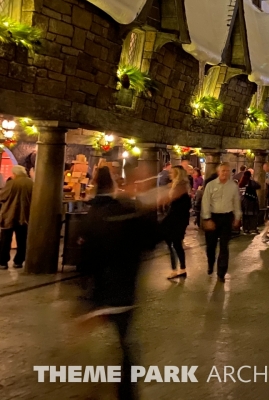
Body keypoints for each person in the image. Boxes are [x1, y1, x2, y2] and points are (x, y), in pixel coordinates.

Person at [78, 166, 157, 400]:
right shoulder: (125, 212)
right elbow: (150, 239)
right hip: (121, 289)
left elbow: (85, 256)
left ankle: (107, 387)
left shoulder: (96, 212)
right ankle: (124, 391)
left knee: (114, 343)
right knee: (123, 343)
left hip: (103, 290)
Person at [200, 164, 241, 282]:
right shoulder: (211, 185)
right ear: (218, 172)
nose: (225, 173)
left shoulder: (233, 186)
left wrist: (237, 217)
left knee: (224, 246)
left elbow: (236, 202)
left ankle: (221, 272)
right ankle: (210, 263)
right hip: (213, 217)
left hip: (226, 217)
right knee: (211, 245)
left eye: (227, 171)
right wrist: (207, 219)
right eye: (223, 171)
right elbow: (205, 202)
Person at [0, 165, 32, 269]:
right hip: (25, 216)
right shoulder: (31, 183)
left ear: (15, 173)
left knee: (5, 240)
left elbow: (2, 196)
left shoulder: (12, 183)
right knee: (22, 240)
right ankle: (18, 261)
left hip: (9, 215)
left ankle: (3, 262)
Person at [162, 167, 191, 280]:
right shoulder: (178, 186)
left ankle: (177, 270)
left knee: (174, 244)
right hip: (177, 220)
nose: (169, 174)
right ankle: (180, 269)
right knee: (175, 244)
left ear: (177, 174)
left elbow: (179, 206)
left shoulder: (180, 188)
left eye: (172, 172)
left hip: (176, 220)